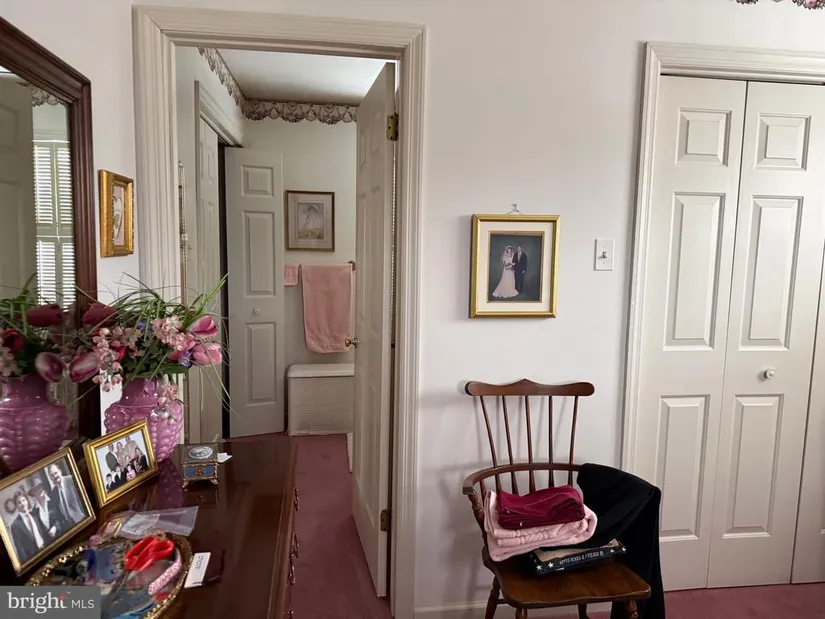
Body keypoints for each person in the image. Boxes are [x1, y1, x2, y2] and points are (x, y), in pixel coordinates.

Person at [9, 490, 46, 563]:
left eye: (23, 500)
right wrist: (29, 562)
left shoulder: (35, 514)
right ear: (16, 506)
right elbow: (20, 549)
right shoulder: (15, 525)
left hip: (45, 547)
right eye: (19, 502)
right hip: (34, 557)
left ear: (27, 501)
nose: (22, 504)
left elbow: (43, 531)